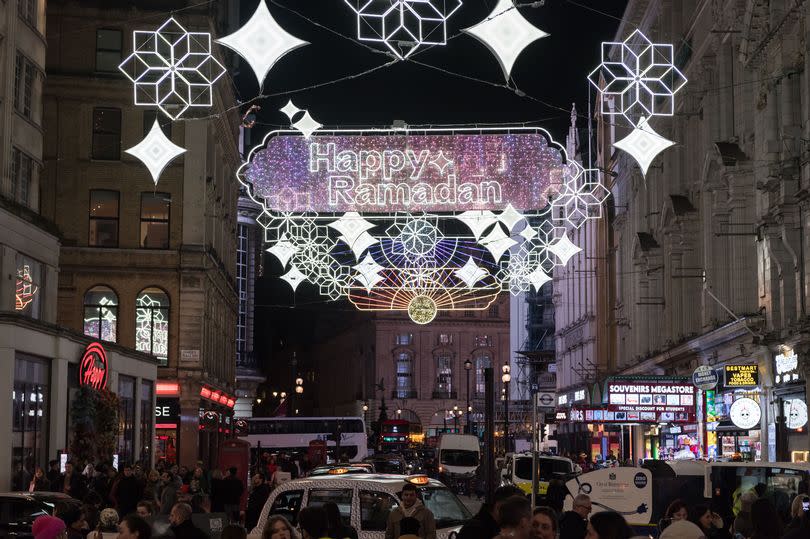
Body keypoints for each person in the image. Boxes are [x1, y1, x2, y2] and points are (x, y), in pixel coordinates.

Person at [457, 485, 524, 539]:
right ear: (499, 507)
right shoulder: (475, 531)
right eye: (516, 511)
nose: (519, 516)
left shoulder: (495, 527)